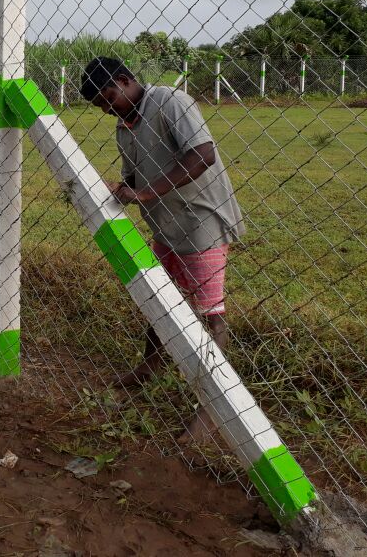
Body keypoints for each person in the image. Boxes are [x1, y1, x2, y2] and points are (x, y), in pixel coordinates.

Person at [80, 56, 246, 444]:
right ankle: (150, 366)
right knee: (161, 300)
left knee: (210, 318)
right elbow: (133, 178)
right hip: (167, 227)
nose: (106, 110)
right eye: (100, 107)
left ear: (123, 81)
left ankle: (214, 407)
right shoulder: (126, 126)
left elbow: (202, 155)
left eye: (107, 100)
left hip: (201, 224)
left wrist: (144, 193)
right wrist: (115, 190)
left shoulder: (171, 102)